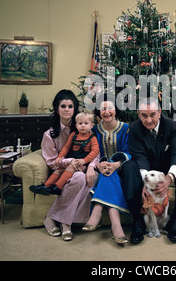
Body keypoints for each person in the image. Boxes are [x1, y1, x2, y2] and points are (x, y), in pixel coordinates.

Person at [120, 97, 176, 244]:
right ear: (138, 114)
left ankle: (175, 220)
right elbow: (139, 156)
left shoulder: (172, 126)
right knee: (129, 166)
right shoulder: (135, 128)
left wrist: (168, 179)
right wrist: (146, 181)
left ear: (160, 112)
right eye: (144, 115)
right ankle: (137, 222)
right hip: (147, 169)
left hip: (168, 168)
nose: (148, 120)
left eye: (152, 115)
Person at [29, 89, 99, 241]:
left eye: (70, 106)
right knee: (79, 178)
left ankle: (54, 218)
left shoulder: (83, 127)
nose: (67, 110)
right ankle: (65, 223)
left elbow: (95, 151)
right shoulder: (49, 134)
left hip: (83, 167)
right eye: (63, 106)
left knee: (85, 177)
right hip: (61, 171)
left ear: (75, 109)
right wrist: (70, 162)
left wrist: (92, 166)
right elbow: (51, 162)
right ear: (57, 108)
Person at [82, 94, 131, 245]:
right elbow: (92, 151)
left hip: (121, 169)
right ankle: (116, 225)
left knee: (109, 172)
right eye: (103, 109)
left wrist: (116, 164)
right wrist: (98, 165)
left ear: (116, 109)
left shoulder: (126, 129)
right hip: (101, 169)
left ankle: (96, 210)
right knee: (106, 172)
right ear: (98, 112)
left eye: (110, 108)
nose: (107, 111)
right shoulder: (94, 130)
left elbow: (130, 151)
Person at [30, 112, 99, 195]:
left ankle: (57, 187)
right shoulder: (74, 135)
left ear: (91, 125)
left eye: (86, 123)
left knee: (71, 166)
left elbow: (95, 151)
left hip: (84, 164)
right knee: (59, 170)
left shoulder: (92, 138)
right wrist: (59, 157)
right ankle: (46, 186)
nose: (83, 125)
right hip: (74, 160)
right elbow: (66, 147)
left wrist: (84, 160)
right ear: (76, 125)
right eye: (80, 123)